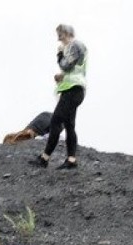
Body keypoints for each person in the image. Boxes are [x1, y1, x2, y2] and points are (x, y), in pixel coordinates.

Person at [34, 24, 87, 170]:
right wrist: (62, 76)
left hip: (72, 90)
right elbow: (74, 68)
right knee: (69, 125)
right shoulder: (78, 47)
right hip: (75, 89)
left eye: (60, 35)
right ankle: (71, 160)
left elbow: (66, 65)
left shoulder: (74, 45)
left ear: (66, 33)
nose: (59, 39)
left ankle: (44, 158)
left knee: (56, 121)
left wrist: (59, 55)